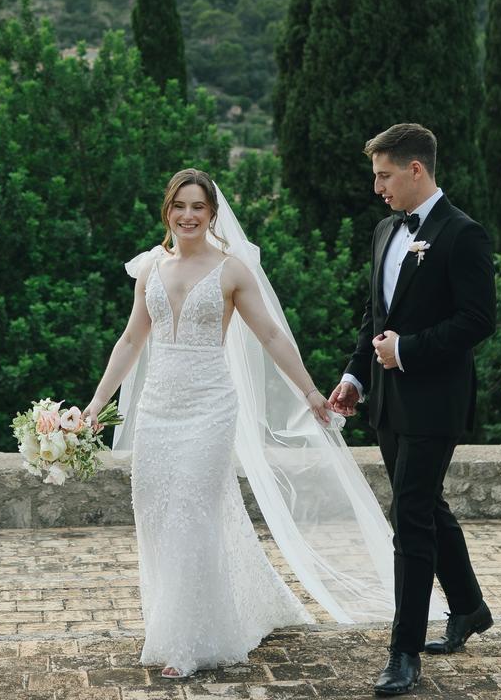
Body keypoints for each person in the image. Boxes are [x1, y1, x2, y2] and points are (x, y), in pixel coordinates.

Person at [84, 167, 397, 679]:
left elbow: (272, 337)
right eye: (180, 206)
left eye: (198, 207)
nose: (188, 216)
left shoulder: (231, 270)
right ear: (168, 211)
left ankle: (188, 644)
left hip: (209, 406)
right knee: (158, 513)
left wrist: (312, 392)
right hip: (157, 409)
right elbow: (129, 341)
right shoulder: (149, 270)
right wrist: (97, 404)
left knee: (191, 510)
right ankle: (171, 622)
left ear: (211, 214)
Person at [327, 123, 497, 696]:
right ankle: (470, 607)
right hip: (386, 400)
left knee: (412, 517)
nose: (378, 187)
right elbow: (374, 315)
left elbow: (479, 320)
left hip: (435, 400)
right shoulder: (383, 231)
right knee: (418, 506)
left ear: (415, 169)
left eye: (384, 175)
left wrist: (407, 351)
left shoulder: (463, 235)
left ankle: (403, 652)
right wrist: (356, 374)